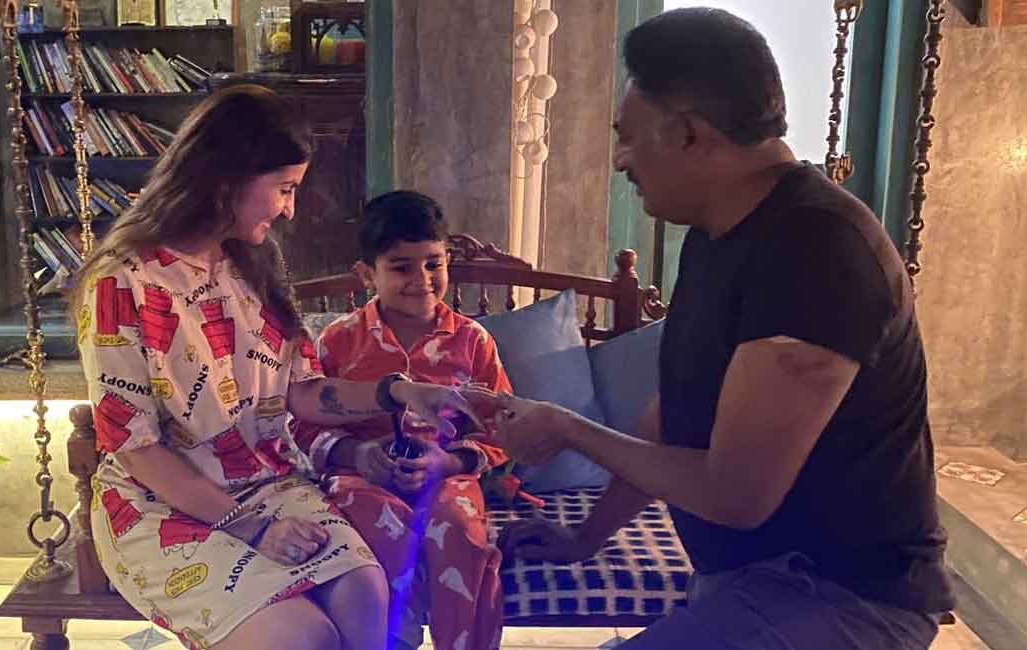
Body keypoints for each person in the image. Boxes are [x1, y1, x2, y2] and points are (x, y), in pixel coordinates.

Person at [488, 8, 955, 650]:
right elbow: (673, 415)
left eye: (627, 137)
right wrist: (584, 538)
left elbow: (736, 495)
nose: (620, 160)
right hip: (753, 580)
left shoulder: (817, 250)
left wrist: (568, 427)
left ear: (688, 133)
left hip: (840, 595)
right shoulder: (718, 234)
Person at [71, 85, 481, 650]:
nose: (290, 209)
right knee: (302, 637)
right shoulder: (121, 282)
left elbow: (303, 391)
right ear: (228, 178)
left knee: (367, 595)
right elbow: (136, 448)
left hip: (269, 482)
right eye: (285, 189)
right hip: (161, 506)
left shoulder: (256, 259)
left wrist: (401, 393)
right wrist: (254, 528)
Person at [291, 190, 512, 650]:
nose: (422, 279)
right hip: (360, 475)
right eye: (401, 267)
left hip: (448, 477)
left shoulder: (473, 341)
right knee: (374, 523)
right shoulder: (338, 340)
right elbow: (305, 422)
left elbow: (502, 430)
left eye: (433, 264)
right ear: (366, 274)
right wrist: (356, 453)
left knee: (460, 530)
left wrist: (447, 462)